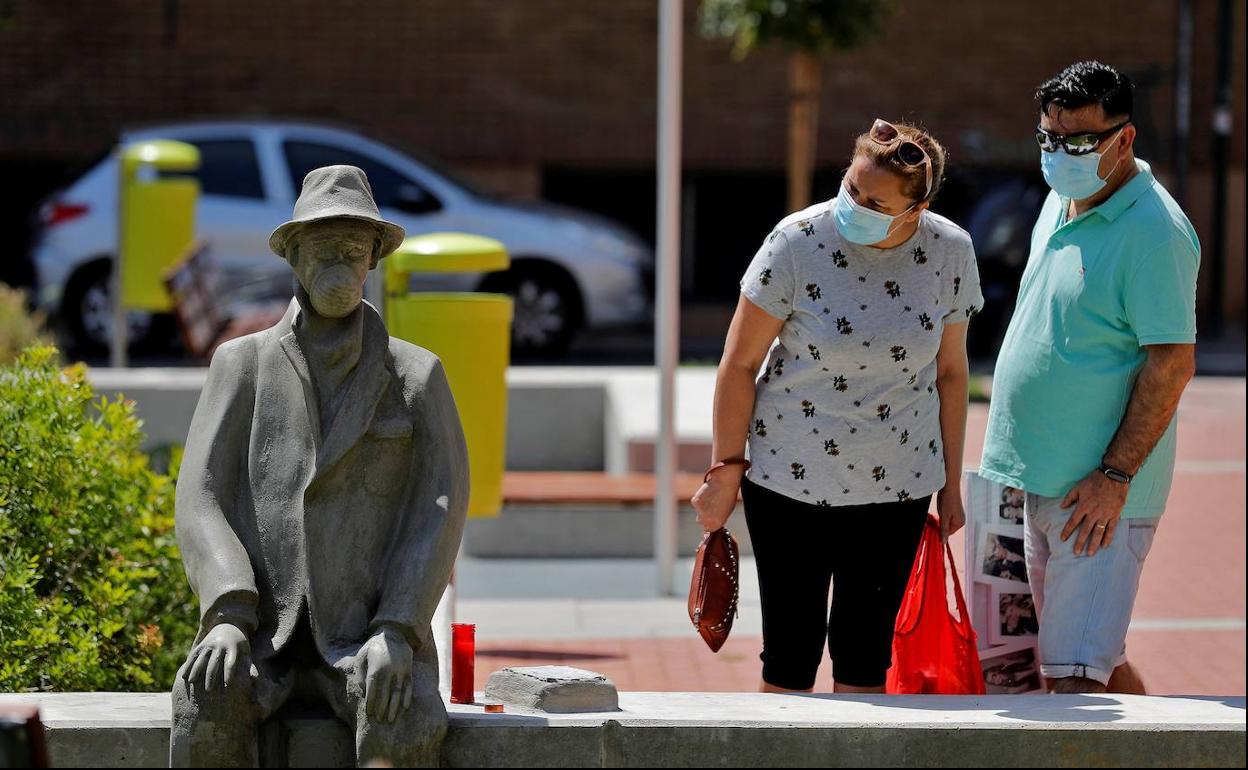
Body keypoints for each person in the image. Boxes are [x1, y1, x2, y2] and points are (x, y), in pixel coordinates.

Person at [171, 165, 469, 767]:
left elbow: (439, 506)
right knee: (204, 697)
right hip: (260, 635)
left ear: (374, 261)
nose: (342, 261)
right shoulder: (242, 367)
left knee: (403, 711)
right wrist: (228, 613)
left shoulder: (416, 377)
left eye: (355, 249)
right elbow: (200, 495)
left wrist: (399, 626)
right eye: (325, 247)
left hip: (368, 634)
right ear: (294, 257)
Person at [691, 119, 983, 694]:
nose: (854, 204)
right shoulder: (796, 241)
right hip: (788, 483)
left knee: (864, 659)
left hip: (897, 486)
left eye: (873, 200)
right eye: (851, 186)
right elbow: (739, 364)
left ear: (915, 206)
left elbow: (951, 373)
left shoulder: (951, 251)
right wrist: (725, 469)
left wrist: (951, 485)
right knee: (790, 659)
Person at [979, 61, 1200, 695]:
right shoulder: (1061, 200)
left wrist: (1114, 476)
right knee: (1084, 660)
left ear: (1124, 139)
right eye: (1049, 138)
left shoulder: (1155, 232)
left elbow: (1171, 364)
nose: (1060, 153)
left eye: (1079, 141)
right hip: (1037, 480)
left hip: (1098, 496)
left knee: (1074, 684)